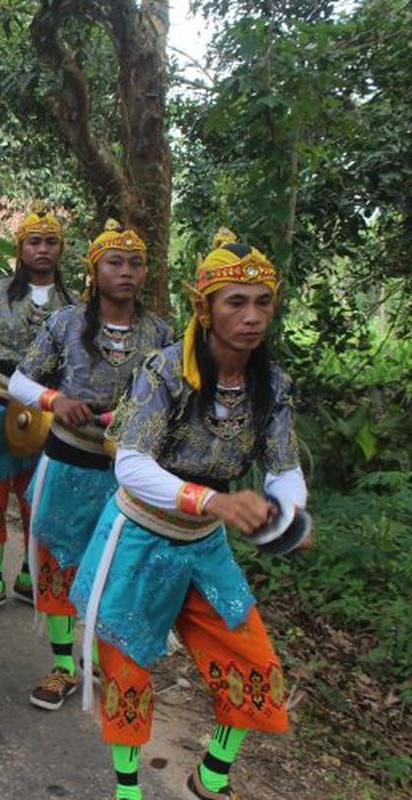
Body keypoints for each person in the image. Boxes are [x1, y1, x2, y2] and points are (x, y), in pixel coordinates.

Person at [71, 231, 305, 800]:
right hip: (139, 539)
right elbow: (130, 464)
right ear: (206, 308)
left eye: (262, 302)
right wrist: (215, 501)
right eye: (236, 302)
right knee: (127, 675)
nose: (252, 316)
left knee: (254, 663)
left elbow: (283, 467)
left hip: (204, 545)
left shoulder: (269, 384)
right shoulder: (165, 371)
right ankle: (128, 790)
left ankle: (211, 777)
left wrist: (290, 516)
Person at [6, 219, 172, 711]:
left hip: (130, 473)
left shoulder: (161, 333)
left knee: (116, 566)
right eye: (115, 262)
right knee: (60, 562)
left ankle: (102, 659)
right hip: (68, 459)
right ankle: (63, 665)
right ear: (93, 269)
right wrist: (55, 399)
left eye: (135, 263)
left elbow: (175, 398)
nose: (126, 272)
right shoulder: (64, 323)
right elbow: (20, 381)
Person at [0, 202, 72, 614]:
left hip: (50, 413)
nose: (43, 249)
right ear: (20, 248)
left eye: (51, 242)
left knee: (39, 499)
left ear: (62, 249)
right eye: (34, 241)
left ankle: (28, 575)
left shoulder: (76, 304)